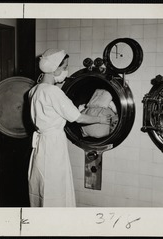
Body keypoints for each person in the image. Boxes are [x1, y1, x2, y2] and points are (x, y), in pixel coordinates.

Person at [28, 49, 111, 207]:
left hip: (40, 144)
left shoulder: (34, 90)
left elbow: (52, 113)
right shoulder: (53, 92)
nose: (66, 71)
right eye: (65, 66)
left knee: (41, 186)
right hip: (53, 145)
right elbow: (78, 118)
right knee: (55, 188)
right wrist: (100, 118)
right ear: (55, 68)